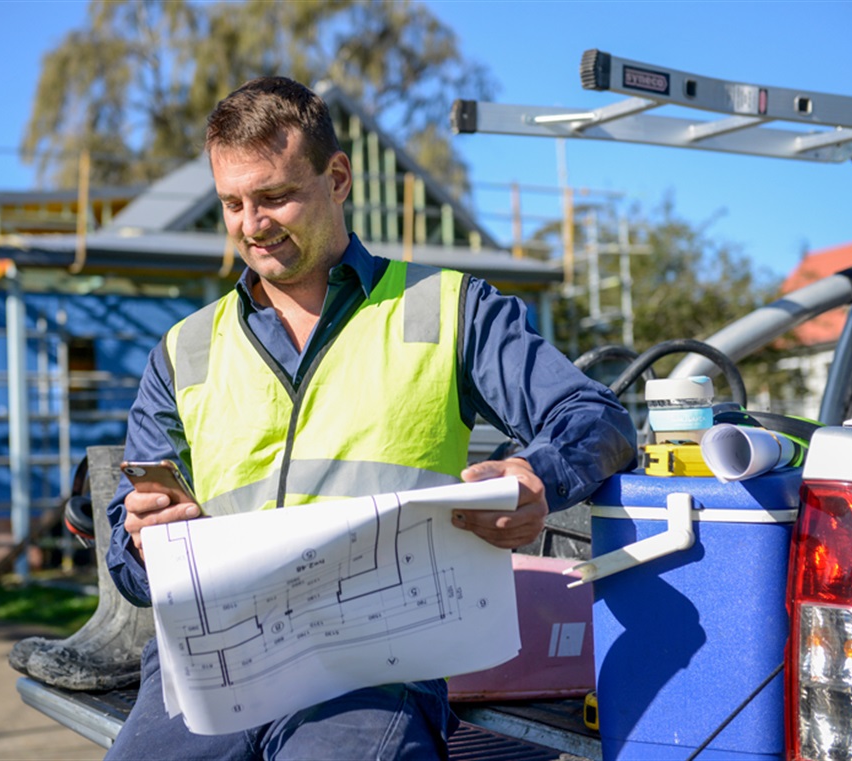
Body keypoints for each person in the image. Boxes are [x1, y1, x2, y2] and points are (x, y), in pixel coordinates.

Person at [105, 75, 636, 760]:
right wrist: (143, 539)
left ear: (338, 177)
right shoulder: (183, 352)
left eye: (274, 196)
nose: (251, 224)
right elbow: (130, 555)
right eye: (233, 203)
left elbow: (598, 416)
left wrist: (535, 475)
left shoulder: (449, 308)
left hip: (371, 670)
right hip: (216, 669)